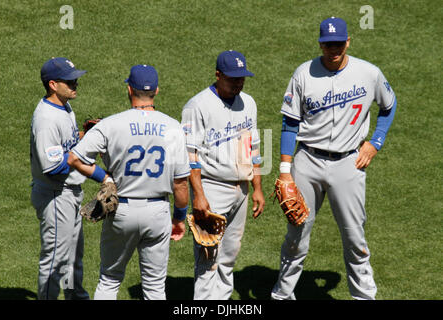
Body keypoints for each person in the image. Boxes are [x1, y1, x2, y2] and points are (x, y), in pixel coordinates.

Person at [271, 17, 397, 300]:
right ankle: (282, 295)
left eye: (339, 43)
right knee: (296, 236)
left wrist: (375, 143)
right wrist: (285, 171)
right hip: (307, 162)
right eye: (328, 44)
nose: (334, 49)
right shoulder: (303, 74)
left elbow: (389, 105)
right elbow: (290, 124)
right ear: (320, 44)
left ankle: (364, 297)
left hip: (348, 163)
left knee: (354, 237)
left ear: (348, 41)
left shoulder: (369, 73)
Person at [67, 64, 190, 300]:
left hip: (121, 210)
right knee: (155, 288)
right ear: (156, 90)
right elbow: (181, 184)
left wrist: (103, 177)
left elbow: (75, 158)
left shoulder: (111, 124)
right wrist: (179, 219)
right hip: (158, 212)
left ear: (129, 89)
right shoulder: (174, 127)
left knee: (110, 280)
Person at [181, 50, 265, 300]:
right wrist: (199, 195)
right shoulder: (197, 105)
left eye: (242, 78)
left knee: (228, 258)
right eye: (232, 79)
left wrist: (257, 187)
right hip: (212, 188)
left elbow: (255, 147)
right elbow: (190, 155)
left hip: (242, 190)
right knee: (209, 259)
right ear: (218, 75)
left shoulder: (248, 102)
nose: (238, 83)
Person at [30, 57, 89, 300]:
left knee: (73, 256)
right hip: (56, 196)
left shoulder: (64, 106)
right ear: (53, 84)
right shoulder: (46, 119)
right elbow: (52, 167)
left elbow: (65, 144)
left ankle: (76, 297)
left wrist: (86, 135)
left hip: (70, 193)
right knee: (55, 259)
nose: (75, 83)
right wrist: (82, 161)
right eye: (69, 80)